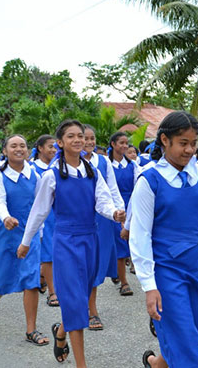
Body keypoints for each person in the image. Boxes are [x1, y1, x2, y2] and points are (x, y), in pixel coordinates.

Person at [128, 111, 198, 368]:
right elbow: (140, 236)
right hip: (166, 272)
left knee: (193, 335)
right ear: (164, 140)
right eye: (183, 143)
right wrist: (149, 286)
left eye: (194, 143)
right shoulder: (150, 181)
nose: (190, 150)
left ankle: (156, 364)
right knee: (188, 349)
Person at [20, 120, 125, 367]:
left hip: (91, 239)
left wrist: (115, 214)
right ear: (60, 142)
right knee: (76, 300)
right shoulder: (51, 174)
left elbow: (103, 202)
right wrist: (26, 242)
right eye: (71, 136)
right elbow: (38, 212)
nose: (78, 140)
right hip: (66, 242)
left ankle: (61, 331)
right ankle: (81, 364)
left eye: (81, 136)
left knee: (83, 294)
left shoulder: (93, 172)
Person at [0, 134, 49, 347]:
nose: (19, 149)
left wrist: (40, 232)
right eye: (13, 146)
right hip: (5, 232)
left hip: (30, 233)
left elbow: (40, 206)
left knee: (31, 279)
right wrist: (6, 217)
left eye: (23, 146)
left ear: (28, 150)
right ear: (5, 151)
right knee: (1, 276)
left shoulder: (35, 174)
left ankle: (31, 329)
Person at [82, 124, 125, 331]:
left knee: (96, 264)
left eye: (92, 138)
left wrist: (120, 212)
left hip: (103, 219)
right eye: (85, 138)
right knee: (83, 264)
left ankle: (92, 310)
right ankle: (81, 307)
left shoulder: (103, 161)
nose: (89, 142)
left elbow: (112, 189)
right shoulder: (68, 163)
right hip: (79, 219)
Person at [108, 131, 140, 296]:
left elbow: (138, 188)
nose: (124, 146)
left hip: (131, 206)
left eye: (126, 143)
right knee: (120, 243)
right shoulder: (107, 165)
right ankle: (124, 282)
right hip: (114, 209)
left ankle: (120, 272)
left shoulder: (133, 166)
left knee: (133, 242)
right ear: (113, 144)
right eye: (121, 142)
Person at [30, 134, 59, 307]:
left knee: (58, 252)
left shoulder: (59, 167)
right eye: (50, 146)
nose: (54, 150)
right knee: (48, 253)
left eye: (56, 146)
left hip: (60, 213)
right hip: (44, 215)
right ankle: (52, 292)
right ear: (40, 148)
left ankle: (44, 277)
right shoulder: (33, 169)